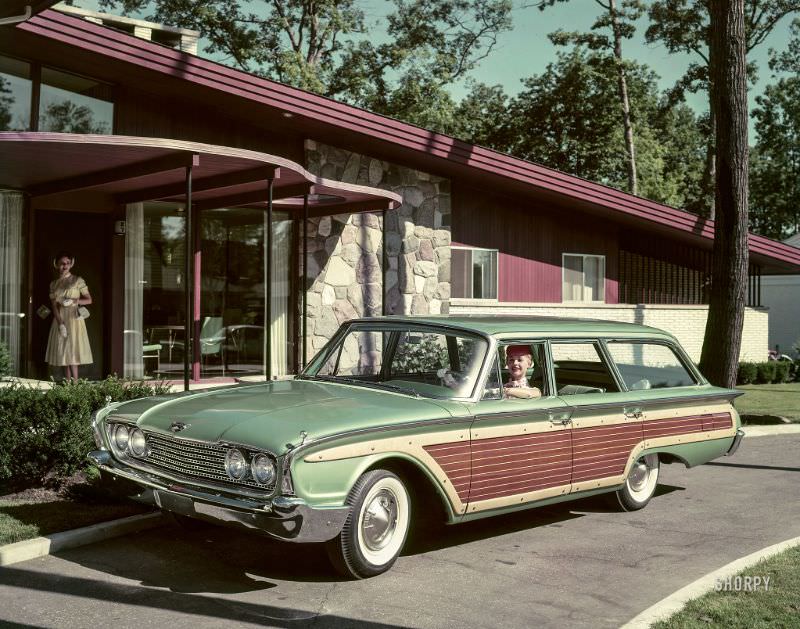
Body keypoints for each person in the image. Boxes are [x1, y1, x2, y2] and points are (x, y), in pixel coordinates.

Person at [45, 252, 93, 380]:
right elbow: (54, 306)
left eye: (67, 263)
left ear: (71, 264)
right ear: (57, 265)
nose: (64, 266)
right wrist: (60, 323)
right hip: (60, 317)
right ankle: (67, 382)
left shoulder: (77, 280)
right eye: (62, 263)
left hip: (74, 318)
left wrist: (74, 301)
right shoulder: (54, 284)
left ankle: (75, 383)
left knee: (72, 348)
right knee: (64, 350)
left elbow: (89, 300)